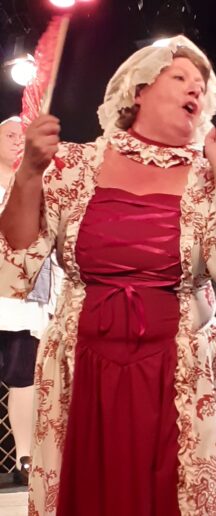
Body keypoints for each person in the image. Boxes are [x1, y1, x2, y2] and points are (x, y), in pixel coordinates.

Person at [0, 36, 216, 515]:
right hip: (85, 374)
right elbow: (16, 264)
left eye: (202, 84)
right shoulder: (75, 165)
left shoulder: (209, 176)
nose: (196, 87)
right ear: (138, 90)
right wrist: (28, 175)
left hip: (180, 376)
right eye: (180, 77)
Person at [0, 117, 57, 486]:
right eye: (9, 136)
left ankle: (24, 457)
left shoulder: (40, 187)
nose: (16, 141)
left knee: (24, 378)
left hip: (24, 302)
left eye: (22, 137)